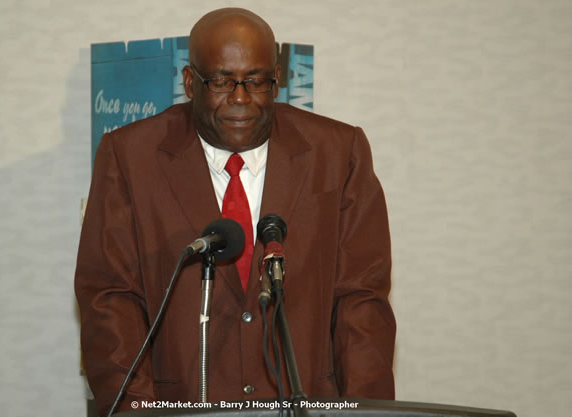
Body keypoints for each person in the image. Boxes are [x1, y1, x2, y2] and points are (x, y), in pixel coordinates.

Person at [75, 8, 396, 416]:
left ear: (277, 80)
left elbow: (361, 301)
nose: (241, 99)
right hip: (181, 406)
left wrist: (366, 412)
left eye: (257, 81)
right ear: (191, 82)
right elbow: (109, 298)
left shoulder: (337, 153)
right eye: (222, 81)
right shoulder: (129, 156)